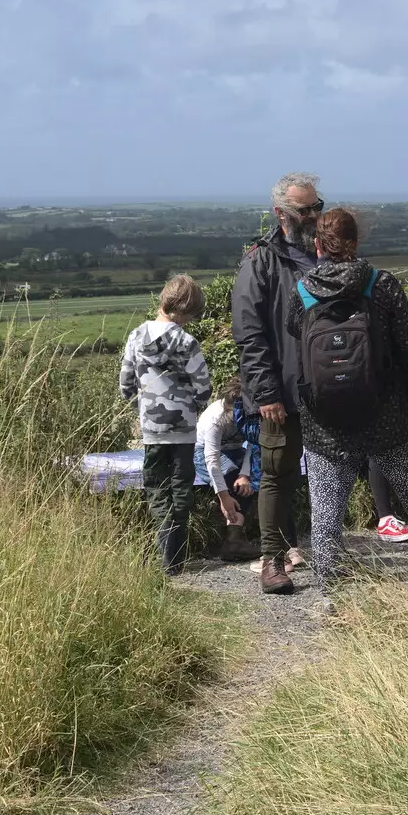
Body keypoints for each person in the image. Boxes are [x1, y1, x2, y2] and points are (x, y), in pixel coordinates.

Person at [288, 208, 408, 594]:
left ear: (317, 245)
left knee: (327, 512)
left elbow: (294, 337)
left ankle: (328, 594)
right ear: (356, 242)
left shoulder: (301, 291)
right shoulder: (381, 285)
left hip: (324, 421)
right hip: (388, 416)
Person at [232, 172, 324, 594]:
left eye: (316, 206)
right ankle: (273, 561)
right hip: (282, 393)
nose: (312, 215)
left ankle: (328, 551)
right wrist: (266, 392)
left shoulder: (330, 255)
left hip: (329, 389)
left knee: (331, 471)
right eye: (303, 209)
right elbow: (249, 333)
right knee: (277, 474)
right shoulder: (260, 261)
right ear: (280, 213)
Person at [119, 274, 212, 575]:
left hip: (151, 429)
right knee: (181, 489)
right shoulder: (187, 342)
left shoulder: (135, 336)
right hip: (184, 429)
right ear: (186, 310)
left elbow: (125, 385)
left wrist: (141, 402)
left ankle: (165, 553)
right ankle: (176, 557)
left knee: (157, 489)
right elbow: (204, 388)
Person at [193, 377, 264, 563]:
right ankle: (234, 539)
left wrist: (245, 474)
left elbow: (253, 444)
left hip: (235, 450)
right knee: (231, 477)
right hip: (203, 452)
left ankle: (235, 539)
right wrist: (223, 497)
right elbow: (212, 460)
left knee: (252, 477)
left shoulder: (252, 411)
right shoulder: (215, 419)